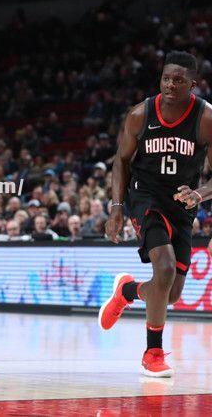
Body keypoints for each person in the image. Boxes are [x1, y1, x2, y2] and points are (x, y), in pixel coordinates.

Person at [101, 51, 212, 377]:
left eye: (179, 80)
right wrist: (116, 207)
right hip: (145, 196)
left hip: (182, 204)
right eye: (166, 78)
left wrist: (199, 195)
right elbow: (120, 161)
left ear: (194, 84)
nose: (170, 85)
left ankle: (127, 291)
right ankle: (153, 353)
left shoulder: (205, 119)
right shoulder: (140, 114)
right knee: (163, 268)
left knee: (171, 293)